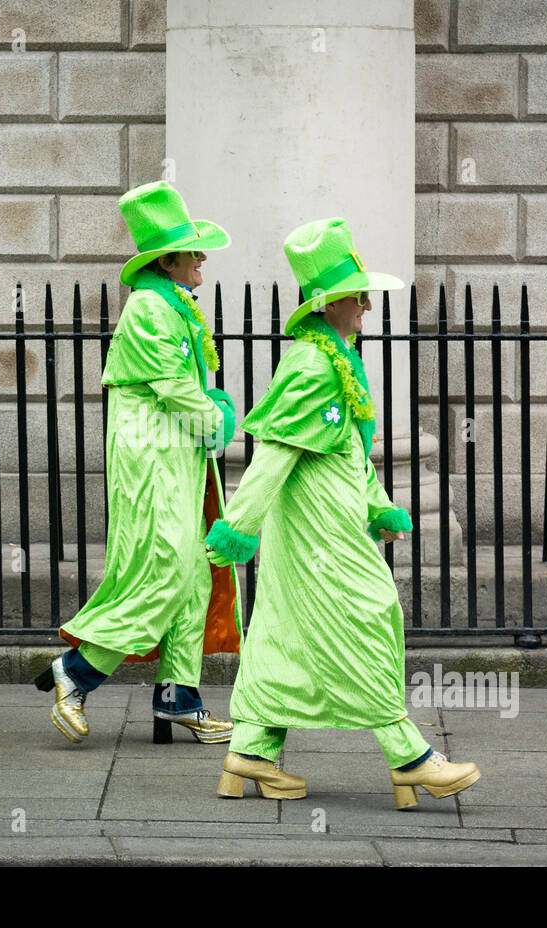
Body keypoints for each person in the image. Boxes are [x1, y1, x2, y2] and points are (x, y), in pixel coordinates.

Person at [204, 219, 481, 809]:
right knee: (371, 618)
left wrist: (381, 505)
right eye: (359, 297)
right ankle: (410, 758)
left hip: (327, 525)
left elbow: (353, 451)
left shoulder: (337, 360)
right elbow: (272, 455)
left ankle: (250, 751)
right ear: (329, 303)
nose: (367, 308)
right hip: (318, 533)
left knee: (282, 630)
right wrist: (238, 526)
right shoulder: (311, 366)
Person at [36, 181, 243, 745]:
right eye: (193, 250)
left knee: (195, 574)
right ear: (168, 260)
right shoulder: (152, 307)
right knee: (165, 573)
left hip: (174, 456)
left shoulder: (173, 304)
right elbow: (176, 387)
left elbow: (184, 388)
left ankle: (180, 694)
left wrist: (210, 412)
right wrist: (218, 419)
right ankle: (74, 674)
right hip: (151, 460)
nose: (201, 259)